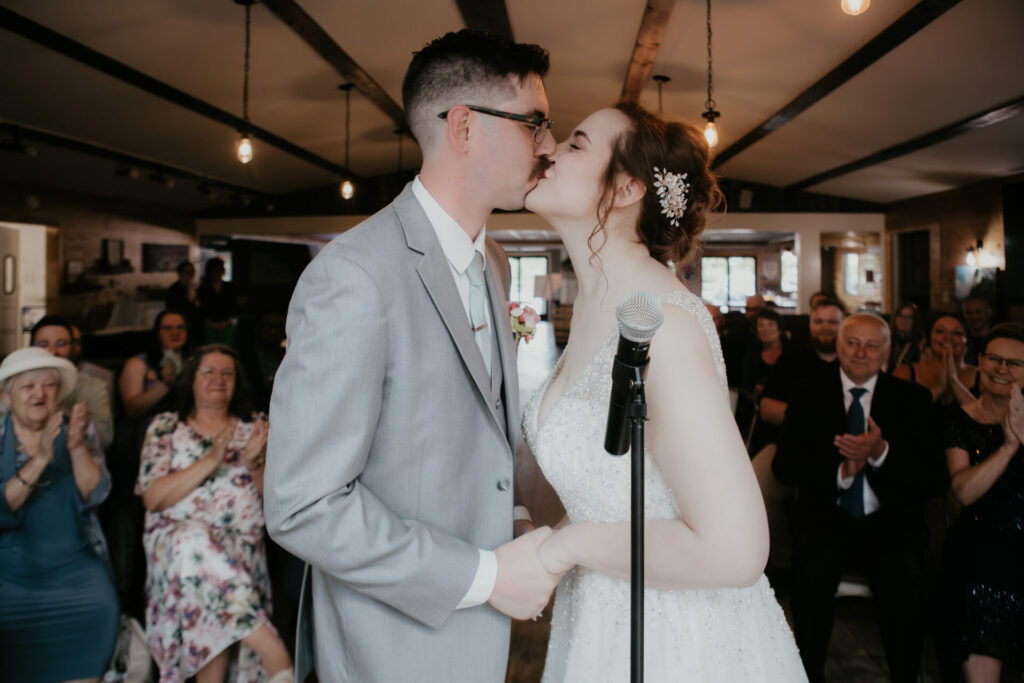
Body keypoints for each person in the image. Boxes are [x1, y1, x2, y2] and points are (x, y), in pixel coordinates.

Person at [265, 30, 562, 683]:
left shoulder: (496, 263)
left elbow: (467, 432)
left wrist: (507, 511)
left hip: (475, 642)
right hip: (391, 647)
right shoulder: (356, 275)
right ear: (463, 127)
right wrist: (487, 574)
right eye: (534, 122)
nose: (548, 143)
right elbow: (302, 503)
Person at [521, 102, 805, 682]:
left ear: (625, 187)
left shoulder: (664, 327)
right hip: (599, 622)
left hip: (681, 641)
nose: (548, 150)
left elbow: (736, 549)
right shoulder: (598, 308)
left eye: (575, 145)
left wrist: (563, 548)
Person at [773, 313, 946, 683]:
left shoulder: (913, 400)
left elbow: (936, 479)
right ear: (838, 346)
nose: (861, 352)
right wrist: (841, 473)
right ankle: (808, 674)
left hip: (891, 523)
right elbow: (784, 467)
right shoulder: (808, 393)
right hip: (826, 517)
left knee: (903, 578)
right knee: (811, 576)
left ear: (886, 352)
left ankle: (906, 675)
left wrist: (881, 452)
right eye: (853, 343)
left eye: (872, 345)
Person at [136, 344, 292, 683]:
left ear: (238, 381)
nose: (218, 379)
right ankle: (271, 648)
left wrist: (255, 465)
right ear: (191, 379)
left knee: (212, 597)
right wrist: (211, 459)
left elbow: (279, 505)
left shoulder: (257, 426)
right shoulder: (165, 427)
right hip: (176, 550)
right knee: (192, 542)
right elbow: (153, 497)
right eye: (208, 371)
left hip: (240, 550)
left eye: (227, 372)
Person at [0, 347, 118, 682]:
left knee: (102, 603)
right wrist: (39, 461)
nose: (39, 393)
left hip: (76, 572)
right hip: (9, 577)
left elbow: (96, 492)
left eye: (48, 385)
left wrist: (77, 448)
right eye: (27, 387)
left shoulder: (79, 430)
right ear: (6, 396)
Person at [935, 323, 1024, 682]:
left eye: (1014, 363)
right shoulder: (959, 420)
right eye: (994, 359)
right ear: (981, 361)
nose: (1002, 369)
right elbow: (963, 493)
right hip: (980, 553)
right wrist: (1009, 447)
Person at [0, 315, 115, 451]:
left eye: (61, 344)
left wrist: (51, 408)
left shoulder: (94, 386)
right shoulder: (12, 383)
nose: (52, 351)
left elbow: (105, 437)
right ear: (31, 347)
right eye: (43, 344)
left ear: (73, 348)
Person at [893, 314, 977, 403]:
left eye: (957, 333)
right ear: (929, 338)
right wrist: (939, 388)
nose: (948, 336)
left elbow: (984, 416)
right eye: (940, 331)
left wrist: (954, 382)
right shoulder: (904, 372)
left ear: (966, 340)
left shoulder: (981, 376)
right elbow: (901, 415)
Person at [197, 258, 237, 346]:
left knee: (226, 349)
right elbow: (201, 309)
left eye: (220, 269)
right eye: (215, 269)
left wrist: (226, 322)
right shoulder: (203, 289)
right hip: (209, 324)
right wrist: (210, 324)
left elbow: (234, 306)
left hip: (226, 324)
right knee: (211, 349)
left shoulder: (229, 287)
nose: (217, 272)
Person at [165, 260, 203, 336]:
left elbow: (201, 307)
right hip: (180, 326)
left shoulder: (197, 288)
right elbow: (171, 308)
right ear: (180, 273)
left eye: (191, 272)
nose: (189, 274)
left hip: (196, 326)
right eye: (186, 271)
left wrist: (194, 299)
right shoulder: (173, 290)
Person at [888, 301, 924, 372]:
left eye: (908, 317)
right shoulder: (887, 340)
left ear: (914, 321)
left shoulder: (921, 342)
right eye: (900, 316)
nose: (903, 320)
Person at [962, 295, 993, 365]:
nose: (974, 316)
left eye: (978, 311)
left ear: (989, 312)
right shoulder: (961, 343)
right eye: (968, 312)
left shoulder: (997, 341)